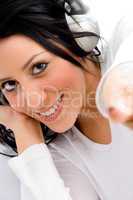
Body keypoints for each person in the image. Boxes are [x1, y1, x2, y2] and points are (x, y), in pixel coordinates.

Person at [0, 0, 133, 200]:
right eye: (10, 84)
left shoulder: (125, 47)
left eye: (39, 67)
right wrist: (27, 138)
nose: (34, 102)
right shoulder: (60, 150)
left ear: (76, 36)